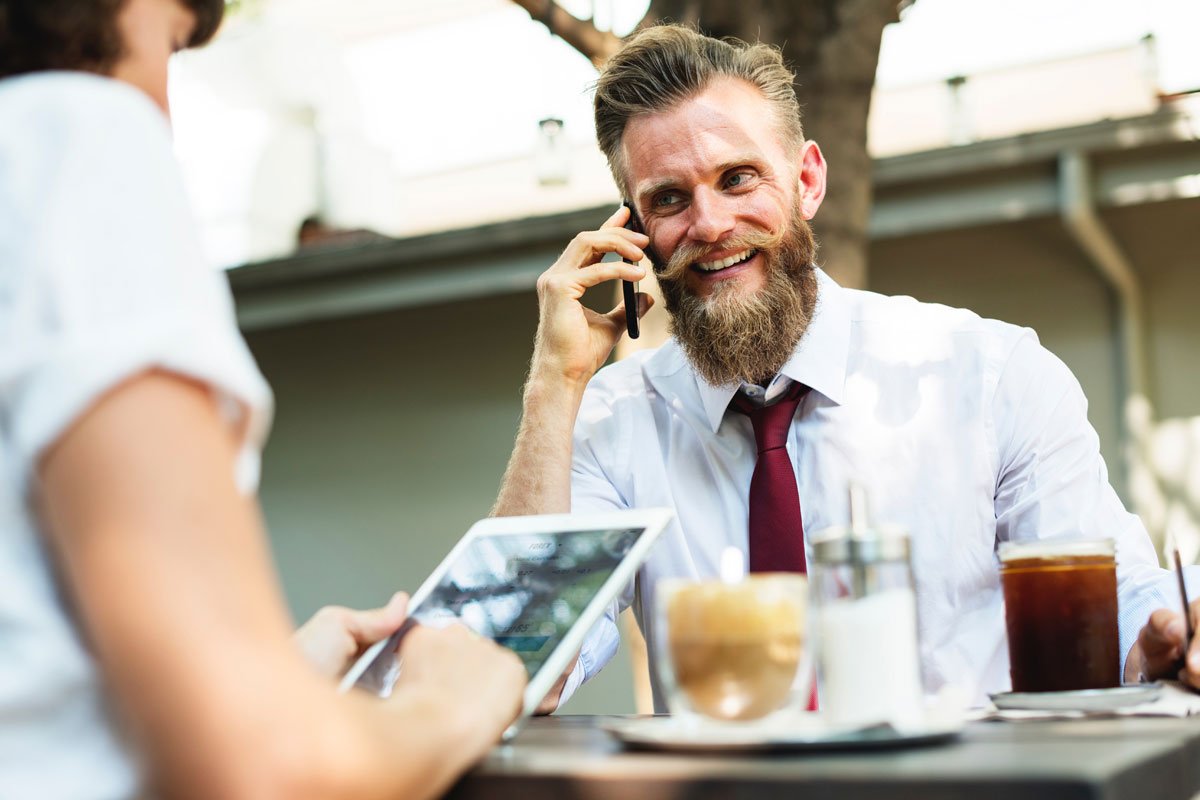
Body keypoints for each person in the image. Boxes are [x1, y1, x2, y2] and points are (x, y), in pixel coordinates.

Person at [493, 23, 1199, 709]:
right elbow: (521, 674)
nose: (707, 225)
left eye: (738, 178)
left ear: (807, 180)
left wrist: (1175, 638)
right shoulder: (612, 421)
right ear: (634, 231)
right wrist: (552, 388)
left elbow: (1124, 615)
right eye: (669, 199)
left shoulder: (989, 375)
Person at [0, 1, 525, 798]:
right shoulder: (71, 134)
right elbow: (264, 771)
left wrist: (268, 676)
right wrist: (452, 705)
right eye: (170, 46)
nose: (163, 111)